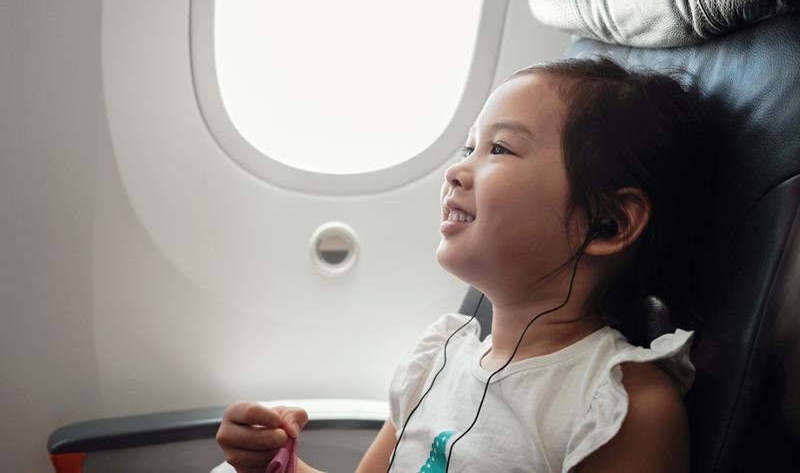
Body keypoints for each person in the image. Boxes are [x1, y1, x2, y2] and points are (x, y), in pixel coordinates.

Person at [215, 55, 707, 472]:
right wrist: (276, 462)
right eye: (468, 147)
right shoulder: (439, 358)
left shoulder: (618, 407)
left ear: (609, 222)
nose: (455, 169)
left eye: (499, 148)